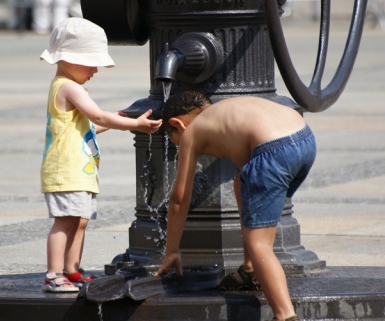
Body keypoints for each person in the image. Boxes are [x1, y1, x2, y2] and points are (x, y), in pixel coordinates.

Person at [156, 90, 316, 321]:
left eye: (176, 140)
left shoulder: (192, 132)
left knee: (259, 243)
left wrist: (171, 250)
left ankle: (285, 315)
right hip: (304, 137)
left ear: (177, 124)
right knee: (243, 182)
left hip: (273, 151)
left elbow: (179, 198)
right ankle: (250, 270)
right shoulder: (227, 109)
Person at [39, 17, 162, 292]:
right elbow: (95, 113)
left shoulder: (70, 85)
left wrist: (112, 122)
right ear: (71, 58)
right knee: (65, 221)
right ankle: (53, 275)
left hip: (78, 169)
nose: (95, 69)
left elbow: (88, 126)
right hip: (65, 169)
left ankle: (71, 270)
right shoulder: (68, 87)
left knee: (79, 220)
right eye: (91, 62)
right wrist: (135, 124)